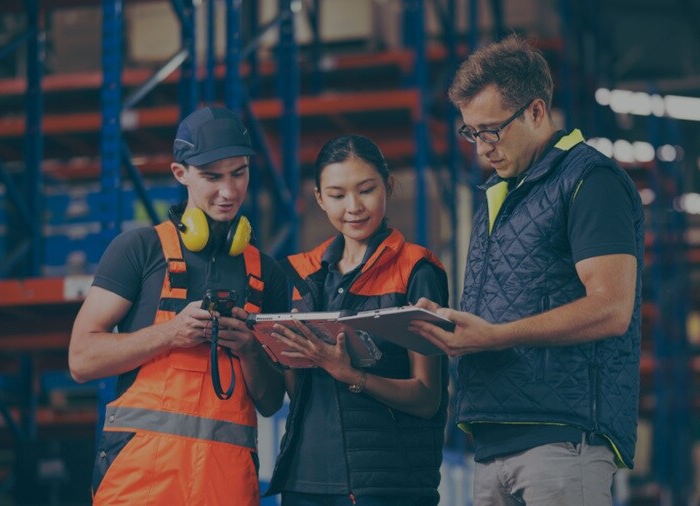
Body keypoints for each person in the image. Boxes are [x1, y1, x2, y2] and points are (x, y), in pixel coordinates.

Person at [410, 34, 645, 505]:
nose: (482, 148)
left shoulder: (590, 181)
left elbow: (612, 308)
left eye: (492, 130)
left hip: (562, 441)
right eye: (472, 133)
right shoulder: (500, 196)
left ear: (537, 111)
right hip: (493, 443)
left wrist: (495, 336)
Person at [68, 106, 289, 505]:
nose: (229, 191)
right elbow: (82, 359)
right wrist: (171, 333)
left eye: (239, 173)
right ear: (180, 173)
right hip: (139, 485)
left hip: (226, 487)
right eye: (212, 176)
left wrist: (249, 350)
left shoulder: (266, 273)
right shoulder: (139, 250)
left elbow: (272, 402)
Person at [263, 135, 449, 505]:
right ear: (319, 198)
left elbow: (427, 397)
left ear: (388, 186)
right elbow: (299, 393)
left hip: (387, 485)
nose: (353, 207)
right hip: (306, 480)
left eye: (366, 190)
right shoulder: (301, 275)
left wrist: (352, 375)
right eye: (336, 195)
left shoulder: (415, 271)